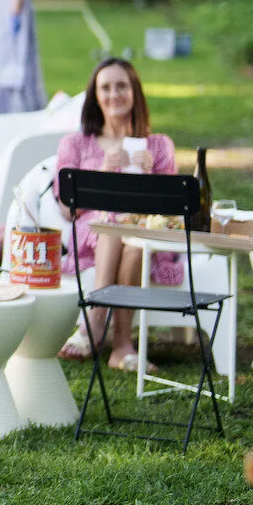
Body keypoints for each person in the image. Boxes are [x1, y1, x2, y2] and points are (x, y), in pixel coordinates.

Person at [55, 57, 181, 371]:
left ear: (134, 92)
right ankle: (117, 339)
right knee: (114, 222)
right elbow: (66, 209)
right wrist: (102, 172)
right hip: (92, 232)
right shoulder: (76, 144)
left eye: (121, 86)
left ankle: (101, 329)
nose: (114, 94)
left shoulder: (159, 146)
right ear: (95, 96)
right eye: (106, 87)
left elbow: (173, 212)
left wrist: (152, 177)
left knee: (134, 239)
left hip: (143, 236)